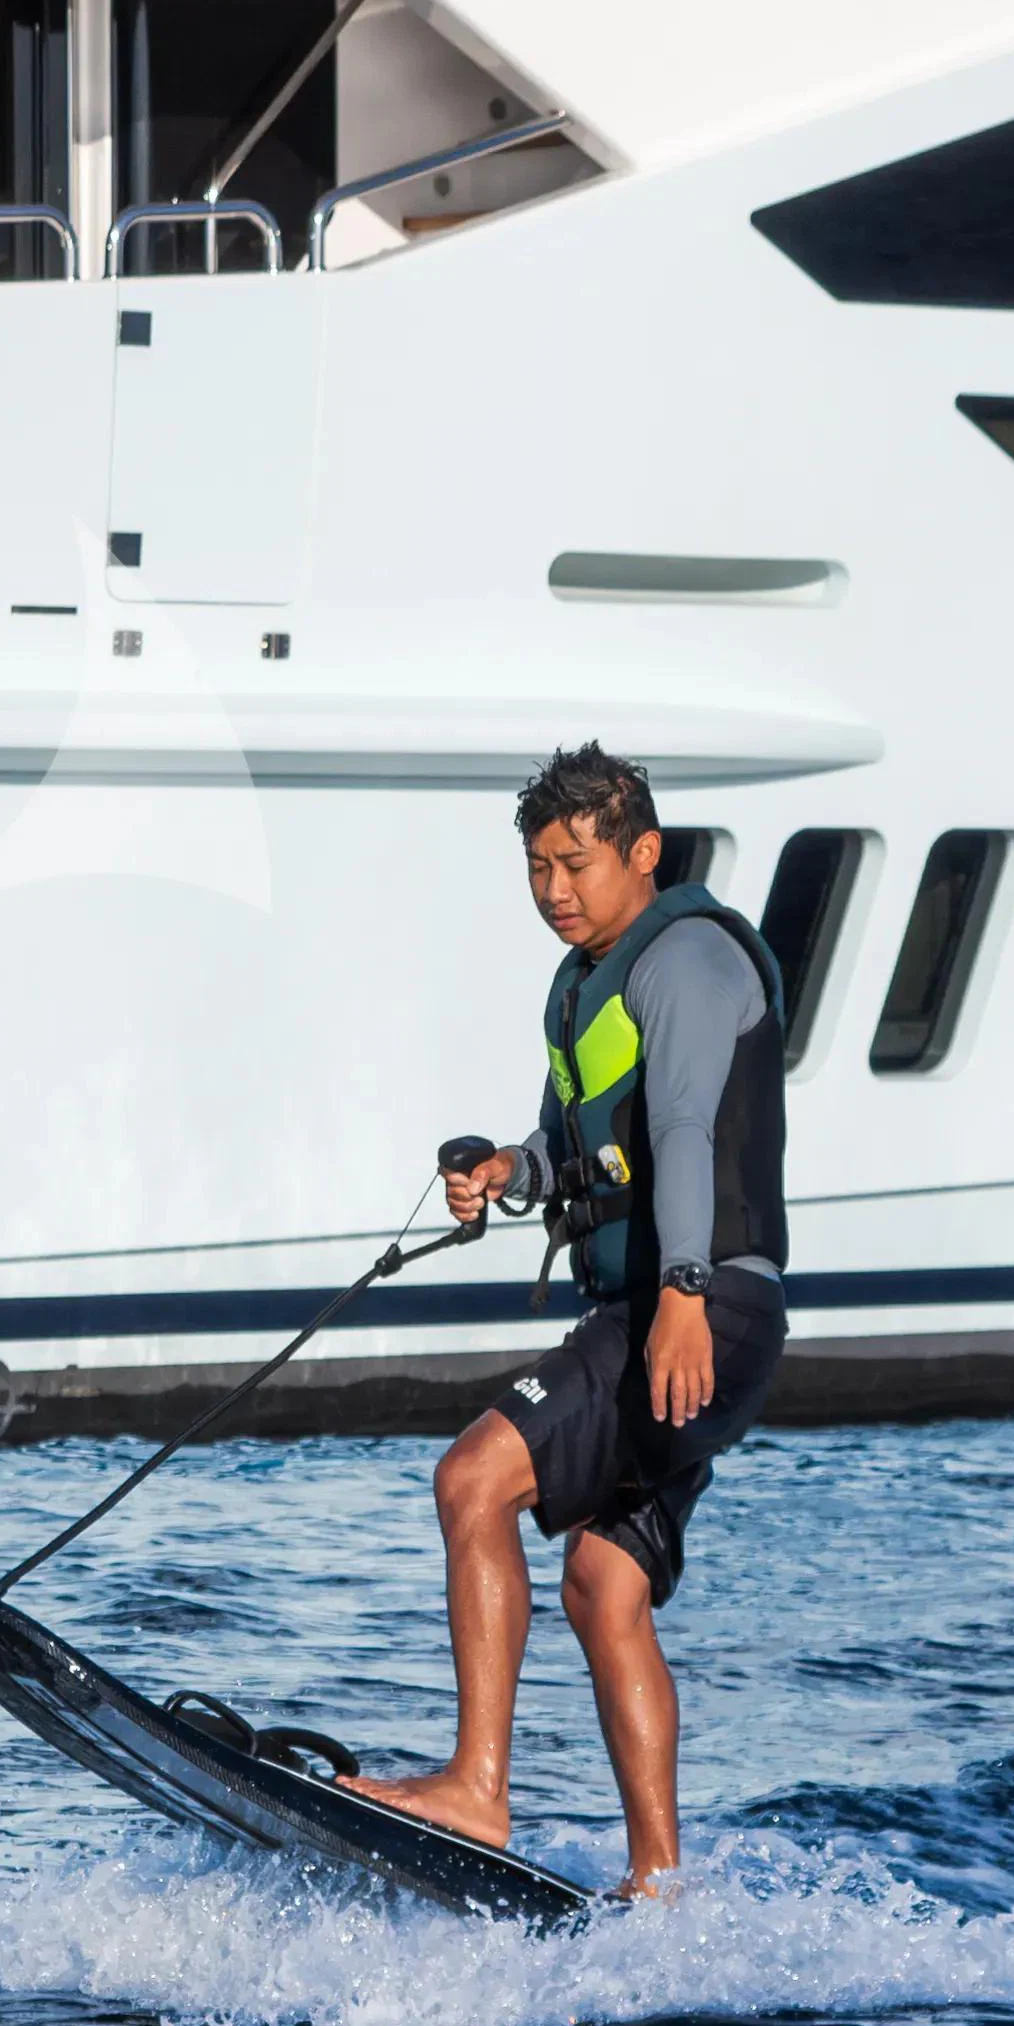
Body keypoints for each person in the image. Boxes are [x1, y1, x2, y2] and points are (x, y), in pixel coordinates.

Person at [349, 741, 788, 1897]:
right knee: (603, 1584)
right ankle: (658, 1889)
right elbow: (577, 1148)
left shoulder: (684, 960)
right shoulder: (580, 981)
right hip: (695, 1317)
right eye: (536, 866)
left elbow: (686, 1130)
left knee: (470, 1480)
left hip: (695, 1308)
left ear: (642, 852)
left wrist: (682, 1298)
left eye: (575, 863)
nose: (552, 889)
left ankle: (474, 1789)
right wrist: (509, 1169)